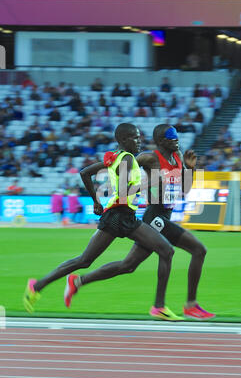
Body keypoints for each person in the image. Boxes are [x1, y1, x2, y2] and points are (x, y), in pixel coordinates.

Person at [23, 123, 178, 320]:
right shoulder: (128, 159)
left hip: (123, 215)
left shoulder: (116, 157)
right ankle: (158, 306)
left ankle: (39, 286)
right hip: (119, 216)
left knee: (91, 261)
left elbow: (85, 173)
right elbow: (123, 192)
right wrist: (150, 183)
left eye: (140, 138)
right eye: (135, 138)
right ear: (123, 140)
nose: (139, 142)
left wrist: (96, 201)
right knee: (86, 260)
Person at [66, 124, 215, 321]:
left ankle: (78, 282)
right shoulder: (149, 157)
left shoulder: (178, 156)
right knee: (198, 249)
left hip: (166, 215)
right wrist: (105, 167)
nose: (176, 140)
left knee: (128, 265)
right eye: (171, 137)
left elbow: (184, 190)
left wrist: (192, 169)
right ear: (161, 141)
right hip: (154, 216)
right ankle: (182, 305)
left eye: (177, 136)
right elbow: (121, 163)